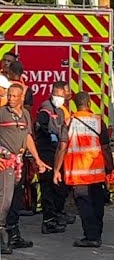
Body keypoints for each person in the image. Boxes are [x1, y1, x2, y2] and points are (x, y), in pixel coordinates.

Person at [53, 91, 114, 248]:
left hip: (78, 173)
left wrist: (56, 170)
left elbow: (62, 147)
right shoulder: (98, 121)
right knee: (97, 203)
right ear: (90, 103)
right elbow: (106, 148)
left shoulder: (69, 122)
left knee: (84, 205)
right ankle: (97, 233)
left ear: (75, 104)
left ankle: (91, 236)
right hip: (97, 172)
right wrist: (110, 169)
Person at [0, 84, 50, 254]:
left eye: (15, 96)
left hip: (19, 164)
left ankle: (13, 235)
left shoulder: (26, 115)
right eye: (9, 95)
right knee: (4, 201)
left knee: (16, 200)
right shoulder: (1, 113)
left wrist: (38, 159)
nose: (11, 99)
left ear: (22, 98)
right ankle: (1, 238)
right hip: (5, 164)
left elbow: (28, 137)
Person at [35, 84, 74, 234]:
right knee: (48, 186)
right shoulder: (45, 109)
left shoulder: (59, 110)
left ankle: (57, 213)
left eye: (61, 95)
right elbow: (43, 127)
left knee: (59, 185)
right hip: (46, 152)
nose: (58, 97)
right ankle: (48, 221)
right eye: (56, 94)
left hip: (56, 151)